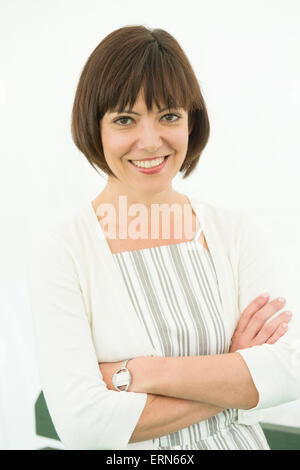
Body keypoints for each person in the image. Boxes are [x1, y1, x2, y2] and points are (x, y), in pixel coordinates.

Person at [27, 25, 300, 451]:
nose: (150, 141)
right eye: (124, 119)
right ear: (93, 127)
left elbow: (288, 370)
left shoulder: (234, 234)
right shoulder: (63, 253)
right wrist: (234, 376)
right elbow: (84, 424)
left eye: (169, 115)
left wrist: (139, 373)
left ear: (192, 121)